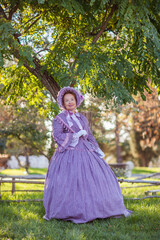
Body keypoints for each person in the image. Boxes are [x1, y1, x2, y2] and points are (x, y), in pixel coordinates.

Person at [43, 86, 132, 224]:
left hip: (87, 150)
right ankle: (69, 210)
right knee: (71, 180)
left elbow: (89, 134)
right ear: (63, 103)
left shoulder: (82, 118)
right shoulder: (59, 118)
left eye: (72, 99)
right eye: (67, 100)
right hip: (69, 152)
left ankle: (99, 208)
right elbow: (57, 135)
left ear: (76, 100)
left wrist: (96, 148)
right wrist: (74, 136)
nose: (70, 102)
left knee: (95, 178)